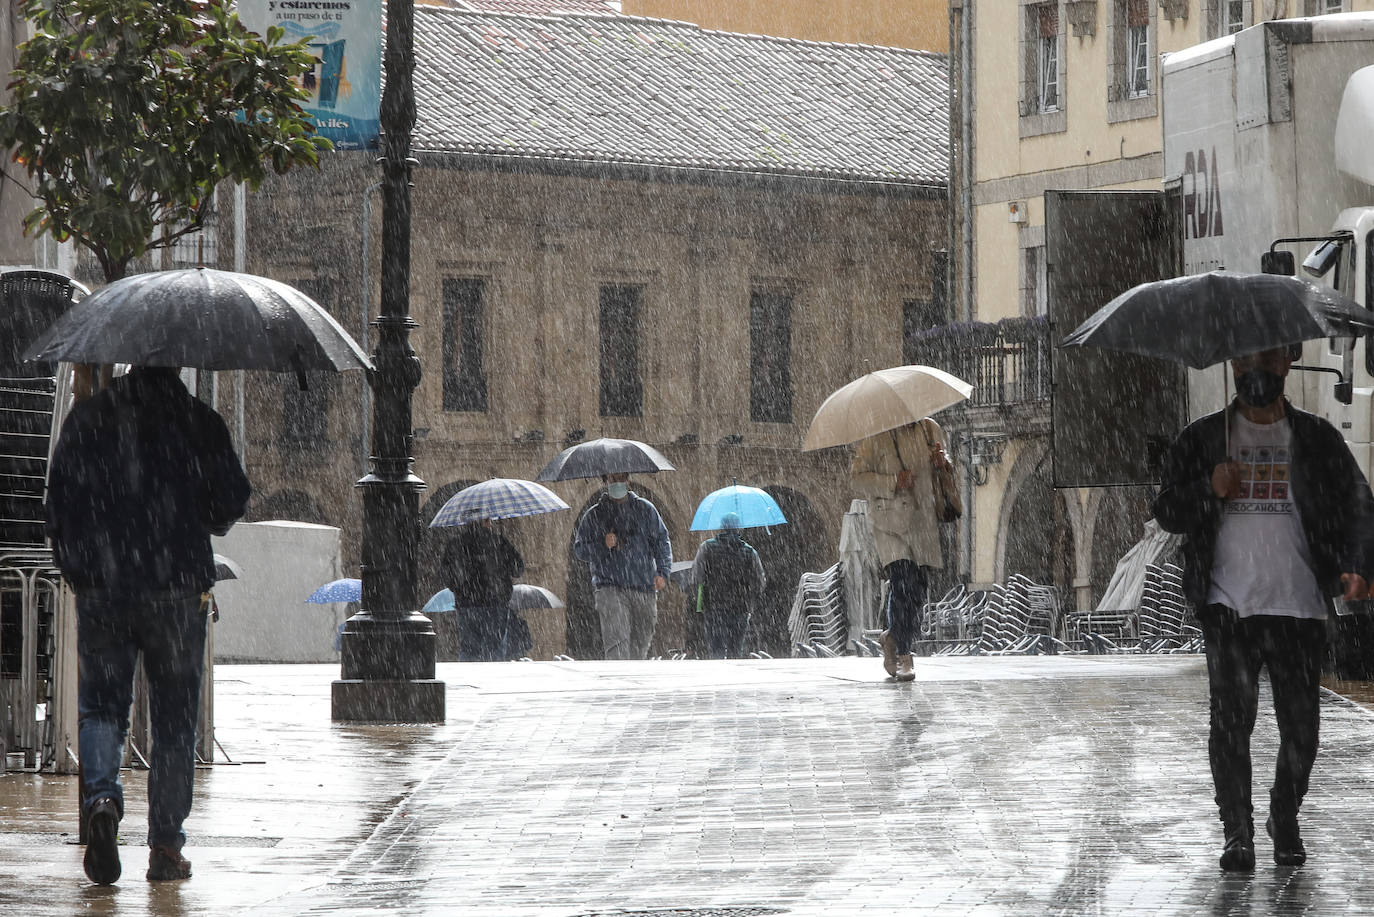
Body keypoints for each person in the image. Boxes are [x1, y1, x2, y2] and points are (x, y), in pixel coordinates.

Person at [1153, 346, 1374, 871]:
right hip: (1229, 608)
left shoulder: (1317, 439)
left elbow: (1360, 505)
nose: (1258, 369)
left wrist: (1358, 564)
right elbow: (1166, 510)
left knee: (1302, 731)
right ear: (1232, 365)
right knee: (1231, 725)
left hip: (1299, 608)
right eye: (1247, 358)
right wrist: (1209, 488)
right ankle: (1238, 832)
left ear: (1288, 362)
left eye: (1269, 358)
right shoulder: (1203, 438)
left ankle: (1284, 816)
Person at [45, 366, 250, 885]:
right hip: (177, 587)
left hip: (104, 587)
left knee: (101, 710)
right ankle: (164, 848)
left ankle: (102, 800)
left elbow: (57, 508)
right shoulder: (199, 421)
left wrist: (81, 569)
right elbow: (231, 503)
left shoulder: (88, 419)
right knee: (175, 722)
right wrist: (194, 516)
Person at [851, 417, 952, 682]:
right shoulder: (876, 437)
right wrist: (893, 481)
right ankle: (905, 655)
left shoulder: (930, 430)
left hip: (923, 522)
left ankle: (892, 636)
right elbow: (858, 480)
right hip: (889, 524)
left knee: (918, 591)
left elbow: (946, 473)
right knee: (903, 583)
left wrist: (943, 464)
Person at [573, 472, 672, 659]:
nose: (617, 483)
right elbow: (580, 550)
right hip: (610, 587)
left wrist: (663, 571)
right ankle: (618, 683)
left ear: (627, 480)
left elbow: (661, 541)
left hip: (643, 586)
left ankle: (632, 681)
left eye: (621, 479)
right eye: (612, 479)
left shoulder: (645, 510)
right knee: (617, 642)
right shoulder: (594, 514)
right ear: (605, 481)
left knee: (641, 642)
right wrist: (602, 545)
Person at [441, 517, 530, 662]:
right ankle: (490, 681)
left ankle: (467, 678)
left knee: (469, 649)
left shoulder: (455, 544)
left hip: (466, 605)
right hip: (495, 604)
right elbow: (518, 569)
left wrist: (462, 587)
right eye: (489, 519)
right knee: (494, 648)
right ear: (485, 522)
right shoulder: (499, 542)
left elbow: (447, 577)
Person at [692, 512, 767, 658]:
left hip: (713, 608)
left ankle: (718, 676)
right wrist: (747, 596)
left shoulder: (706, 547)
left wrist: (703, 597)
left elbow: (697, 578)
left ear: (721, 528)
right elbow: (760, 582)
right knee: (736, 649)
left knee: (716, 649)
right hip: (740, 608)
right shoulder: (750, 552)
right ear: (739, 529)